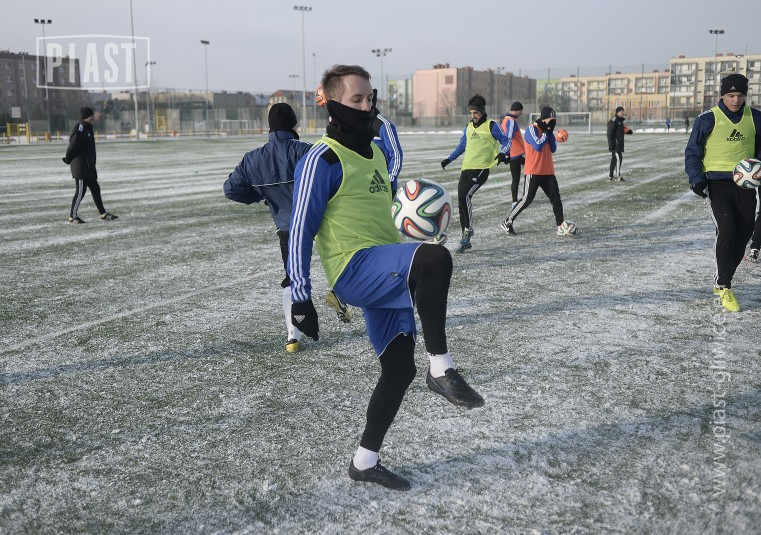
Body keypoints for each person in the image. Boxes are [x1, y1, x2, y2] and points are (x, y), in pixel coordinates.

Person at [288, 65, 484, 491]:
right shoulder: (321, 159)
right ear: (332, 104)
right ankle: (441, 368)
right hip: (354, 269)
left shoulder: (375, 153)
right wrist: (301, 298)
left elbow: (387, 179)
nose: (366, 106)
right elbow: (300, 229)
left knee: (398, 370)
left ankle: (364, 461)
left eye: (370, 98)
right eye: (356, 100)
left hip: (384, 271)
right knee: (435, 260)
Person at [224, 103, 314, 352]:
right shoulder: (306, 151)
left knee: (293, 278)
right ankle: (341, 298)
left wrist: (260, 195)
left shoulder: (253, 158)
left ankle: (293, 335)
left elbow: (230, 189)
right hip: (321, 222)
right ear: (294, 125)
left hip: (287, 227)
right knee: (342, 265)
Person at [685, 73, 761, 312]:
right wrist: (697, 179)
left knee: (744, 233)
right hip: (716, 184)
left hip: (745, 185)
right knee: (727, 229)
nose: (735, 100)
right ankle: (723, 285)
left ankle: (724, 276)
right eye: (730, 95)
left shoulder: (756, 117)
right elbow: (692, 151)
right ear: (722, 95)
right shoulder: (707, 119)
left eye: (740, 95)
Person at [440, 94, 510, 253]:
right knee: (461, 200)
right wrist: (449, 159)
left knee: (465, 196)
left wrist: (502, 153)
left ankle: (468, 231)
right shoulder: (469, 127)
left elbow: (507, 141)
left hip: (482, 169)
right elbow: (461, 147)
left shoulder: (492, 125)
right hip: (466, 168)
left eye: (476, 113)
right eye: (471, 113)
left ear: (482, 111)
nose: (473, 116)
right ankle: (465, 239)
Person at [500, 106, 577, 237]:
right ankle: (507, 221)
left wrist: (550, 133)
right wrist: (546, 133)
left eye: (554, 120)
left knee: (556, 198)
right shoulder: (532, 129)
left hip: (547, 171)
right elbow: (538, 145)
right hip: (533, 170)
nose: (552, 122)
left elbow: (553, 149)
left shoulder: (548, 131)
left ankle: (560, 226)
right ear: (544, 118)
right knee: (527, 199)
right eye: (551, 120)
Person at [62, 107, 118, 223]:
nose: (94, 117)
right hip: (81, 167)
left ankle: (103, 214)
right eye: (92, 115)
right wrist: (67, 159)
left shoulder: (87, 128)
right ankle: (72, 217)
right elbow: (72, 147)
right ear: (87, 116)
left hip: (89, 167)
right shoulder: (80, 128)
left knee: (95, 189)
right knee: (80, 192)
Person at [501, 101, 526, 210]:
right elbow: (508, 138)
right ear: (518, 110)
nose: (522, 113)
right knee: (516, 178)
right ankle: (515, 201)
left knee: (530, 171)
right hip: (515, 154)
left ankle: (518, 200)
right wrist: (506, 154)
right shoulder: (511, 121)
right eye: (521, 111)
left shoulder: (506, 119)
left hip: (516, 154)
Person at [607, 106, 629, 181]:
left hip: (618, 144)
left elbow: (619, 132)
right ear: (617, 112)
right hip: (615, 144)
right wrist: (611, 144)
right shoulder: (614, 120)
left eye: (623, 111)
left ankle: (611, 176)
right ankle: (617, 176)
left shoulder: (619, 121)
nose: (622, 113)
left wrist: (627, 131)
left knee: (614, 159)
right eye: (621, 111)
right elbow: (610, 133)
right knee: (619, 158)